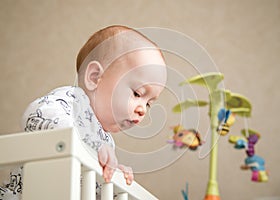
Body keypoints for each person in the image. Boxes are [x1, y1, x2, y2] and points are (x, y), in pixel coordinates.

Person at [0, 25, 167, 199]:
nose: (142, 110)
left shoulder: (106, 140)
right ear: (94, 77)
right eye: (137, 94)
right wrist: (94, 146)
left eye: (148, 104)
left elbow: (88, 184)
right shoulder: (72, 101)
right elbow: (36, 115)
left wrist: (113, 179)